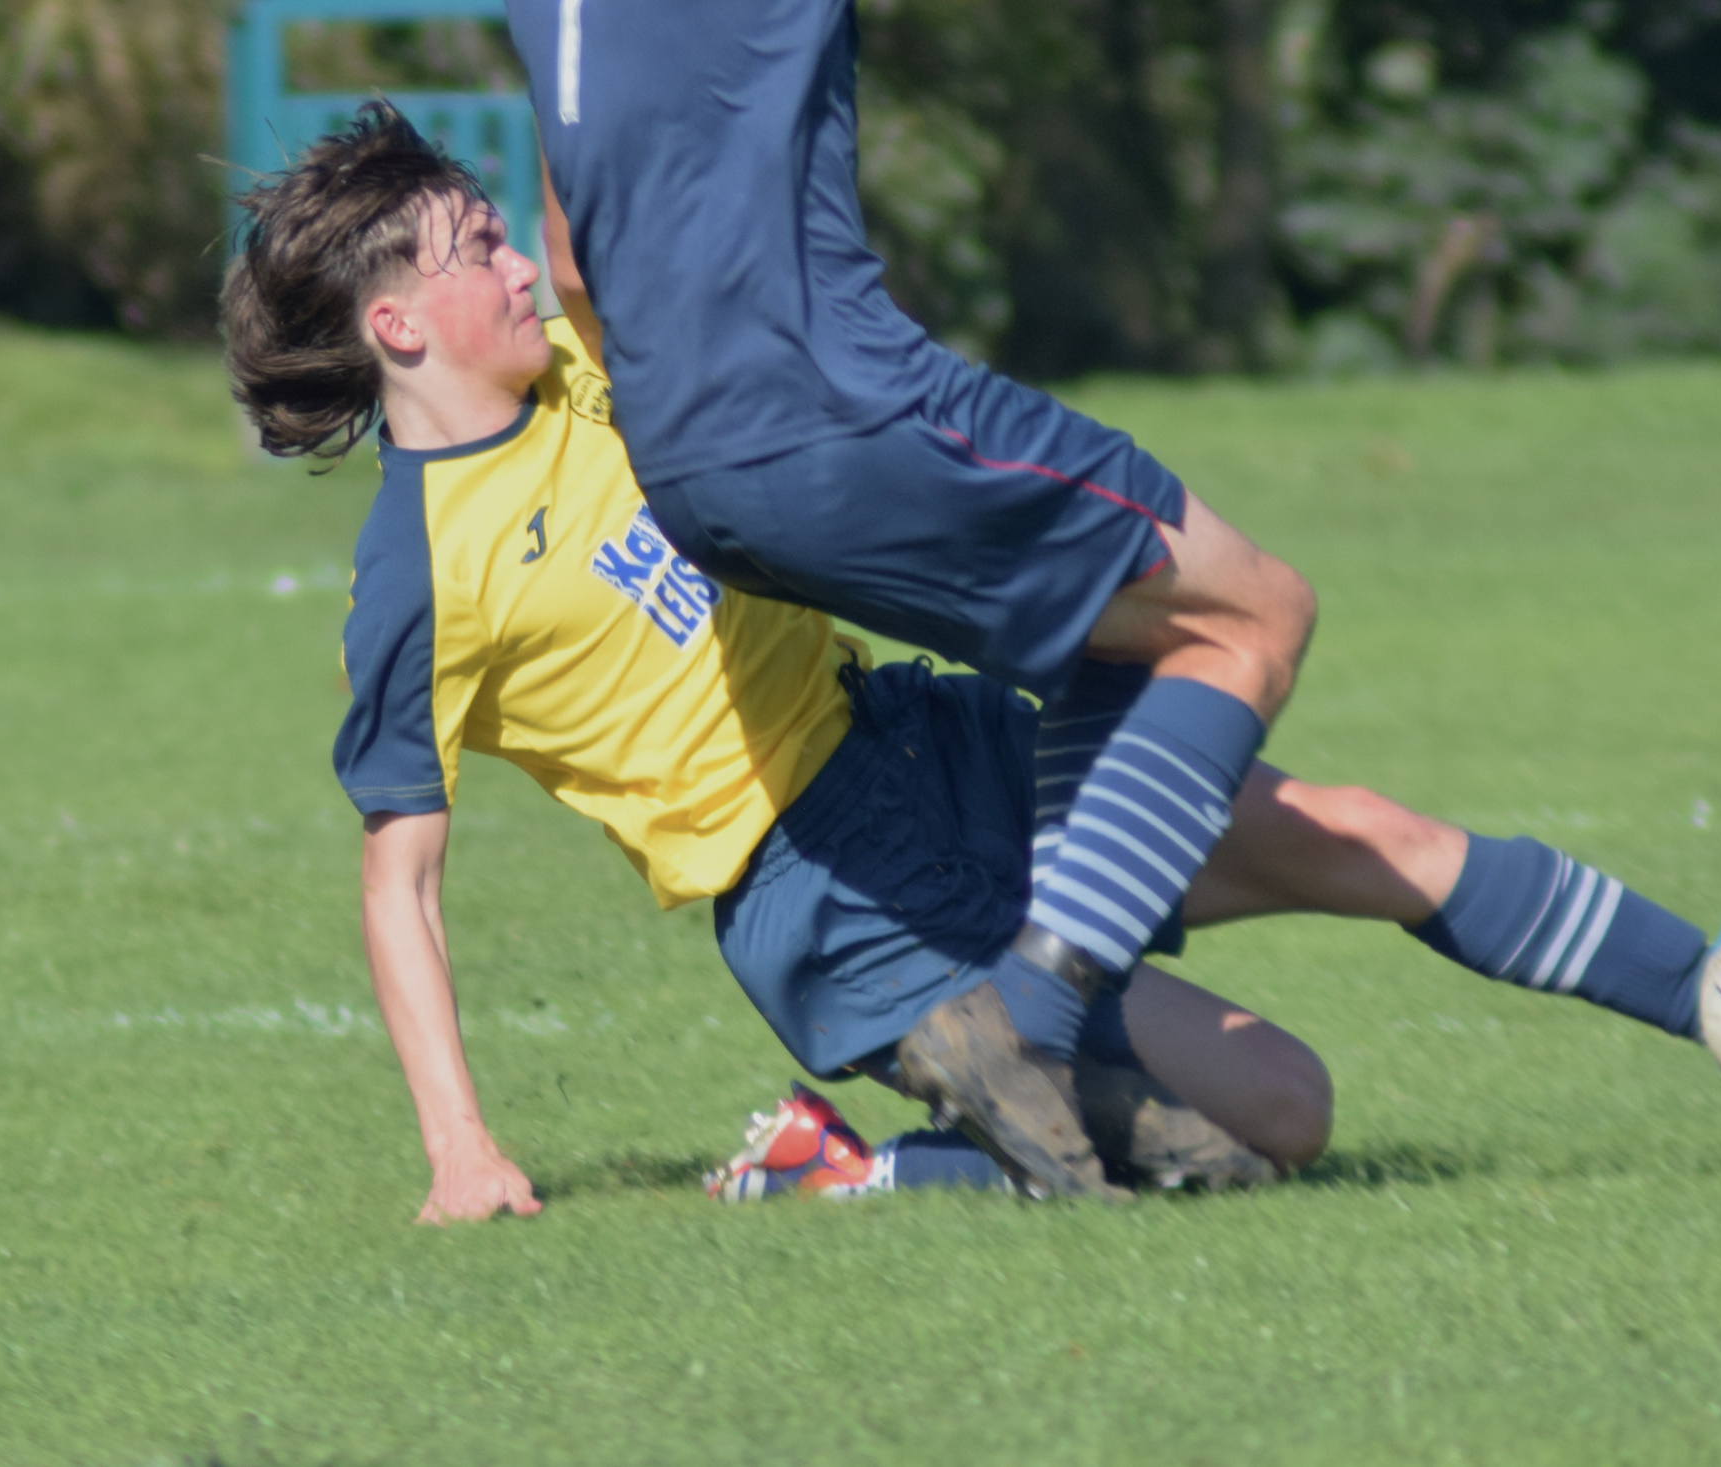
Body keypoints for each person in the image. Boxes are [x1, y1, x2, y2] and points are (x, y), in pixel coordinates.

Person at [221, 107, 1721, 1219]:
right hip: (833, 899)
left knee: (1364, 831)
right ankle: (843, 1166)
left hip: (913, 741)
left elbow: (599, 198)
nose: (518, 273)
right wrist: (464, 1150)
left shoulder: (606, 363)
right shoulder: (420, 577)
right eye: (476, 259)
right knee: (1279, 1117)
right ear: (398, 325)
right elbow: (402, 881)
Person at [500, 0, 1318, 1191]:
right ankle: (1021, 1022)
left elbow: (573, 255)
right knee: (1253, 611)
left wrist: (660, 415)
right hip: (834, 480)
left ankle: (915, 1126)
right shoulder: (439, 553)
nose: (502, 265)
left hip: (875, 713)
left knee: (1287, 1108)